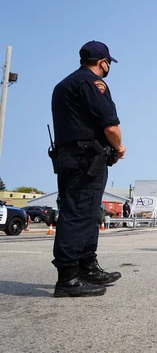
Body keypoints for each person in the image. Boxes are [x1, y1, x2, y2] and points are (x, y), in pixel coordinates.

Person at [50, 41, 125, 297]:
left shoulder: (63, 85)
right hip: (86, 160)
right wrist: (119, 147)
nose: (107, 67)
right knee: (79, 214)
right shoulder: (93, 84)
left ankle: (87, 266)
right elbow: (110, 127)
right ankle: (68, 278)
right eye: (107, 63)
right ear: (102, 62)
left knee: (87, 213)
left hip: (69, 157)